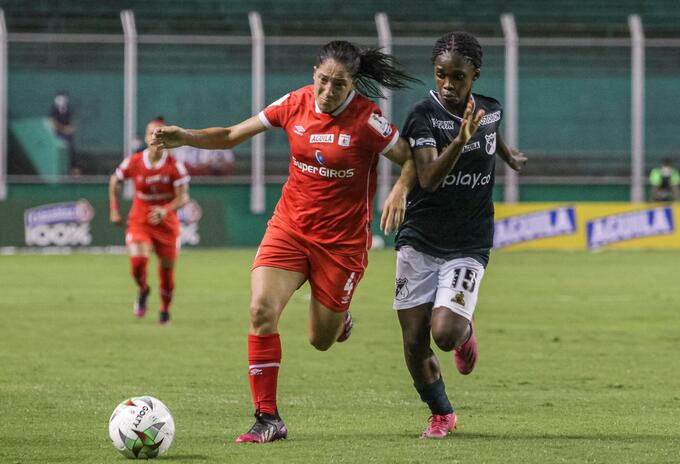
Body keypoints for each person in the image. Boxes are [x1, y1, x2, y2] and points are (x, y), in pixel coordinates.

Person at [151, 40, 418, 444]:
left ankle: (338, 317)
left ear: (354, 85)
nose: (328, 92)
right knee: (260, 310)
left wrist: (400, 187)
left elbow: (410, 156)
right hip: (289, 230)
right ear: (314, 73)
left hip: (341, 244)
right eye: (323, 81)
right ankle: (267, 419)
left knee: (320, 340)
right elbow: (230, 134)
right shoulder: (294, 103)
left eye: (340, 85)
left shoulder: (368, 120)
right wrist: (186, 136)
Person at [393, 32, 527, 439]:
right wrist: (461, 141)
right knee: (416, 341)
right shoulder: (422, 115)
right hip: (420, 238)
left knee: (445, 334)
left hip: (469, 240)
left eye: (458, 77)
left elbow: (491, 132)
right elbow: (430, 178)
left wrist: (508, 154)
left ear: (475, 76)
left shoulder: (489, 109)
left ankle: (465, 333)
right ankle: (442, 413)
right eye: (440, 75)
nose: (448, 85)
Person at [109, 116, 191, 325]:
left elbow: (183, 197)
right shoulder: (135, 162)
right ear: (146, 138)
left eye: (160, 133)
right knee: (138, 263)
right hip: (140, 219)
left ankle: (164, 311)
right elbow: (115, 180)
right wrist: (114, 209)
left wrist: (165, 210)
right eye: (152, 133)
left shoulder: (175, 166)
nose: (155, 137)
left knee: (166, 273)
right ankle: (143, 289)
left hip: (166, 223)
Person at [49, 92, 79, 176]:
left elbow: (72, 124)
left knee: (72, 148)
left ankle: (74, 169)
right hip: (57, 135)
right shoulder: (53, 110)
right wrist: (63, 129)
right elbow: (53, 123)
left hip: (67, 136)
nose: (62, 100)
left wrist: (70, 129)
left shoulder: (68, 110)